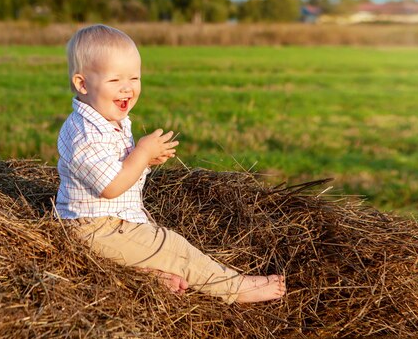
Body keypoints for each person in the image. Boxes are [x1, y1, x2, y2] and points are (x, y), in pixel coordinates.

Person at [55, 24, 286, 304]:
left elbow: (118, 169)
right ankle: (234, 288)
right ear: (82, 84)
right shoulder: (85, 134)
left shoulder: (105, 119)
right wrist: (141, 152)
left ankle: (148, 274)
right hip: (94, 229)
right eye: (115, 81)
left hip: (109, 222)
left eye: (134, 78)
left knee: (149, 238)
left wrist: (146, 161)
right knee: (172, 246)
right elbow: (111, 186)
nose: (127, 88)